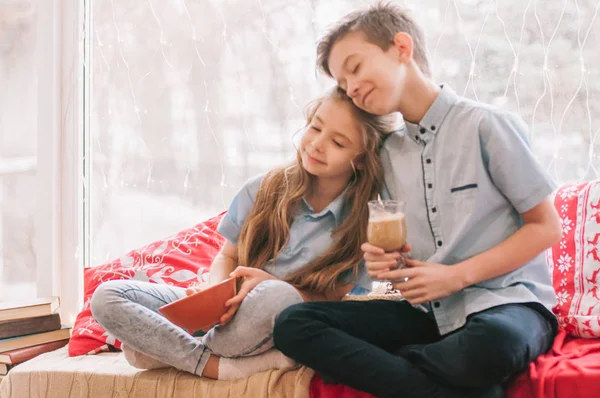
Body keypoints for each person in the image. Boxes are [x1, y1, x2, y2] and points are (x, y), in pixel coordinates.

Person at [273, 3, 562, 397]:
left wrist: (456, 276)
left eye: (355, 67)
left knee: (489, 348)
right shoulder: (387, 155)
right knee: (294, 323)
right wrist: (385, 263)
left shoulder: (486, 126)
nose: (352, 87)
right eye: (343, 82)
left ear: (401, 48)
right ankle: (447, 380)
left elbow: (546, 227)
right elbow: (401, 259)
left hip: (505, 304)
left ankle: (414, 370)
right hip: (426, 313)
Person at [90, 87, 392, 381]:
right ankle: (216, 363)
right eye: (315, 127)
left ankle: (174, 351)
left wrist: (270, 285)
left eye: (338, 143)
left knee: (277, 295)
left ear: (362, 159)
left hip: (279, 316)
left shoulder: (363, 225)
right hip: (224, 306)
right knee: (108, 296)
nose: (316, 144)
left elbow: (330, 299)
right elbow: (227, 255)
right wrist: (214, 294)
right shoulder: (263, 187)